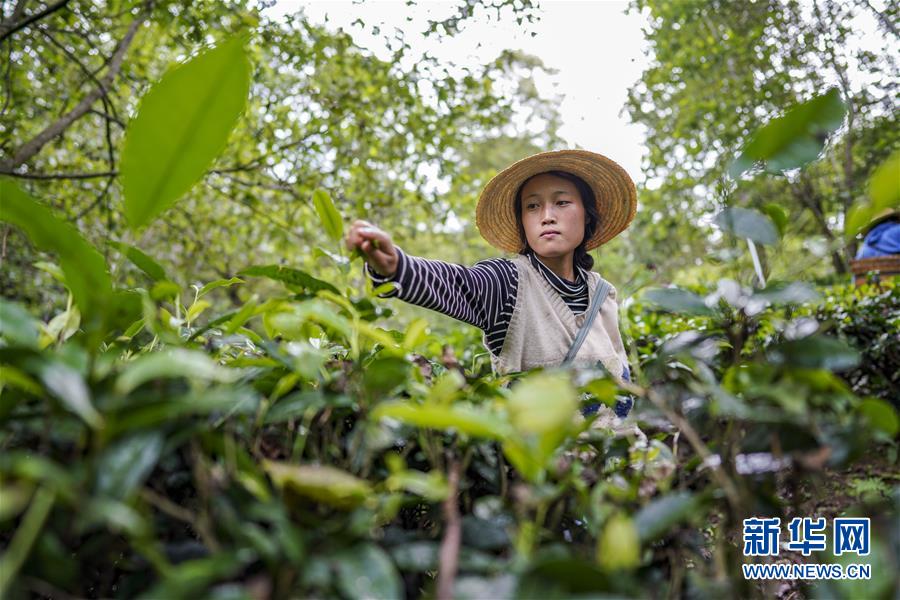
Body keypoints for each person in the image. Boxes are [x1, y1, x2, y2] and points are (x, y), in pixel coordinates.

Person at [344, 149, 638, 418]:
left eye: (562, 202)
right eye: (532, 206)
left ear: (587, 215)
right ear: (522, 222)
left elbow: (622, 384)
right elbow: (459, 283)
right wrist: (396, 265)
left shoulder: (604, 294)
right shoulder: (508, 284)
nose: (547, 216)